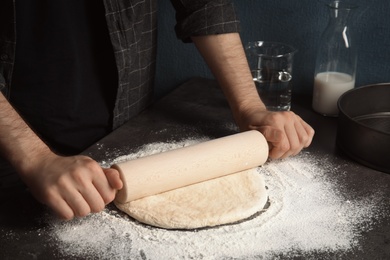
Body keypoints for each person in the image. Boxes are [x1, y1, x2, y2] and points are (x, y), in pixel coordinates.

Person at [0, 0, 314, 220]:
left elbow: (205, 4)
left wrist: (249, 108)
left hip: (127, 132)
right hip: (12, 148)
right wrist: (35, 158)